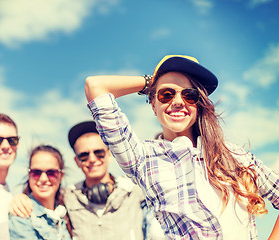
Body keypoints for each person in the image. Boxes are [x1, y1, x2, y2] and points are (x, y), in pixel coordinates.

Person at [84, 54, 279, 239]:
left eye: (189, 95)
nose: (178, 101)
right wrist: (153, 81)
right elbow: (96, 86)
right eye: (166, 94)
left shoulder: (235, 155)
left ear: (199, 104)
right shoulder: (143, 159)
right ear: (153, 104)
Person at [10, 121, 163, 240]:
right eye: (84, 155)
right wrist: (20, 198)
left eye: (99, 153)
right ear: (76, 161)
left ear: (109, 154)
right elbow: (43, 198)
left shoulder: (135, 190)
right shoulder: (68, 196)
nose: (92, 159)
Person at [9, 145, 72, 239]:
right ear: (29, 175)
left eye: (51, 173)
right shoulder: (22, 216)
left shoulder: (65, 212)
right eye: (36, 172)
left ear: (61, 175)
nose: (43, 179)